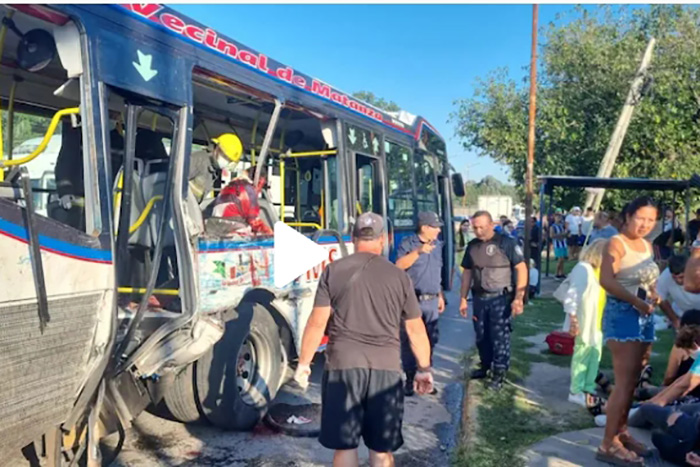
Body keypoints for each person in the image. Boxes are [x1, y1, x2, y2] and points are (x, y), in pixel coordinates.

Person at [294, 212, 433, 467]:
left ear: (354, 238)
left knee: (345, 446)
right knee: (381, 450)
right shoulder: (399, 277)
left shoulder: (333, 271)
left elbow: (317, 322)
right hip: (386, 371)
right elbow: (415, 330)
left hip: (343, 369)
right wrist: (424, 369)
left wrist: (304, 364)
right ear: (383, 239)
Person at [597, 196, 660, 466]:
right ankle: (607, 444)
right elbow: (606, 280)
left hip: (644, 315)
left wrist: (653, 297)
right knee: (623, 384)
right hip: (623, 316)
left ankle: (621, 433)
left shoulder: (647, 245)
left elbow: (648, 278)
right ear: (628, 215)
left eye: (651, 220)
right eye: (640, 218)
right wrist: (636, 301)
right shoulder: (615, 243)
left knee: (634, 381)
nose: (645, 224)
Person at [459, 211, 527, 390]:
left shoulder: (507, 242)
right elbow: (467, 273)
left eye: (482, 227)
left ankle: (499, 373)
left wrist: (519, 298)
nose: (478, 231)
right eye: (475, 227)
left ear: (491, 224)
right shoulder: (472, 246)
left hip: (500, 298)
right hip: (479, 299)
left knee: (499, 336)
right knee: (481, 336)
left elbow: (521, 268)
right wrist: (463, 298)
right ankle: (485, 366)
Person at [396, 212, 445, 396]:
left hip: (431, 300)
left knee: (430, 341)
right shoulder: (408, 244)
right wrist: (418, 252)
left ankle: (425, 377)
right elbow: (398, 265)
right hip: (412, 301)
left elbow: (436, 272)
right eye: (435, 226)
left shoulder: (438, 246)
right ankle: (409, 380)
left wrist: (440, 295)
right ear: (424, 227)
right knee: (409, 342)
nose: (439, 230)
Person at [563, 239, 608, 412]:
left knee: (594, 356)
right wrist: (573, 320)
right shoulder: (584, 269)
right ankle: (575, 391)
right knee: (581, 355)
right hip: (584, 320)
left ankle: (588, 387)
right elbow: (572, 296)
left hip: (596, 321)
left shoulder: (599, 271)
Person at [209, 164, 273, 236]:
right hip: (231, 229)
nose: (260, 190)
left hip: (215, 227)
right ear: (260, 181)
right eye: (262, 186)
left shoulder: (231, 186)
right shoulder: (248, 190)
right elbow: (254, 221)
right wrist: (271, 234)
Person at [189, 133, 243, 204]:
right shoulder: (198, 160)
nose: (226, 161)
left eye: (229, 160)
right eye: (225, 156)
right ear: (217, 148)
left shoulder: (213, 170)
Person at [657, 254, 700, 331]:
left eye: (681, 277)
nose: (678, 281)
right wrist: (675, 320)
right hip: (681, 314)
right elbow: (660, 298)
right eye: (674, 277)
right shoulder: (666, 276)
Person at [550, 212, 568, 279]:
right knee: (560, 259)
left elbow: (564, 234)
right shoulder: (553, 226)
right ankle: (556, 273)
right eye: (557, 217)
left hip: (563, 243)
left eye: (560, 217)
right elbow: (551, 235)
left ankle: (562, 272)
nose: (559, 218)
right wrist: (561, 235)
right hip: (557, 245)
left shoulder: (561, 225)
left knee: (563, 259)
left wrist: (566, 234)